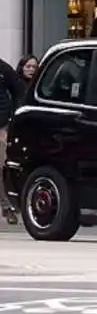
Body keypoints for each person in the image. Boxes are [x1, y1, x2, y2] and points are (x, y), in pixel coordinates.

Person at [0, 56, 26, 224]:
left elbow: (19, 90)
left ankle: (6, 204)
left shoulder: (2, 68)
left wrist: (12, 117)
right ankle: (6, 205)